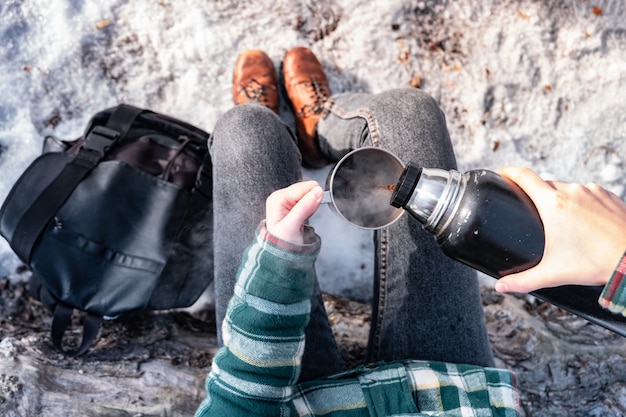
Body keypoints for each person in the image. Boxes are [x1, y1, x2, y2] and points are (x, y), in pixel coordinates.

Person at [195, 47, 626, 416]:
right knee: (410, 110)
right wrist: (618, 252)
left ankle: (294, 129)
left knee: (247, 130)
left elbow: (236, 404)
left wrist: (274, 269)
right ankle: (322, 124)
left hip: (294, 400)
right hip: (451, 392)